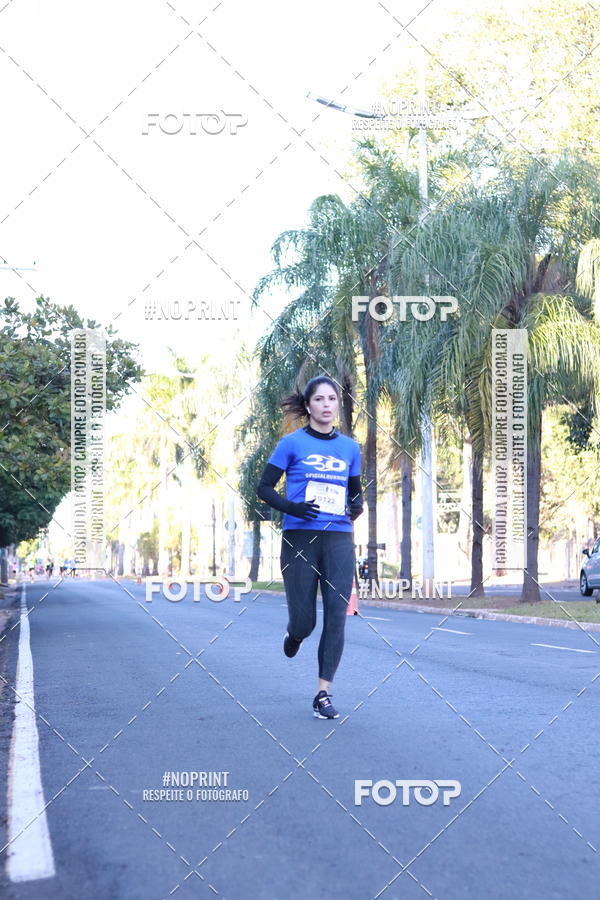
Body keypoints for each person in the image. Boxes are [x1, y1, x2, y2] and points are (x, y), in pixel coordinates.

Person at [256, 375, 363, 719]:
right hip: (300, 537)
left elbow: (356, 492)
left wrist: (357, 507)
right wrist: (293, 508)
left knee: (336, 614)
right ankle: (294, 634)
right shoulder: (291, 443)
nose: (327, 405)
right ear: (309, 405)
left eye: (332, 399)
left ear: (337, 405)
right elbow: (264, 487)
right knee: (305, 621)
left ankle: (322, 694)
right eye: (319, 399)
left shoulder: (349, 447)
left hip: (338, 538)